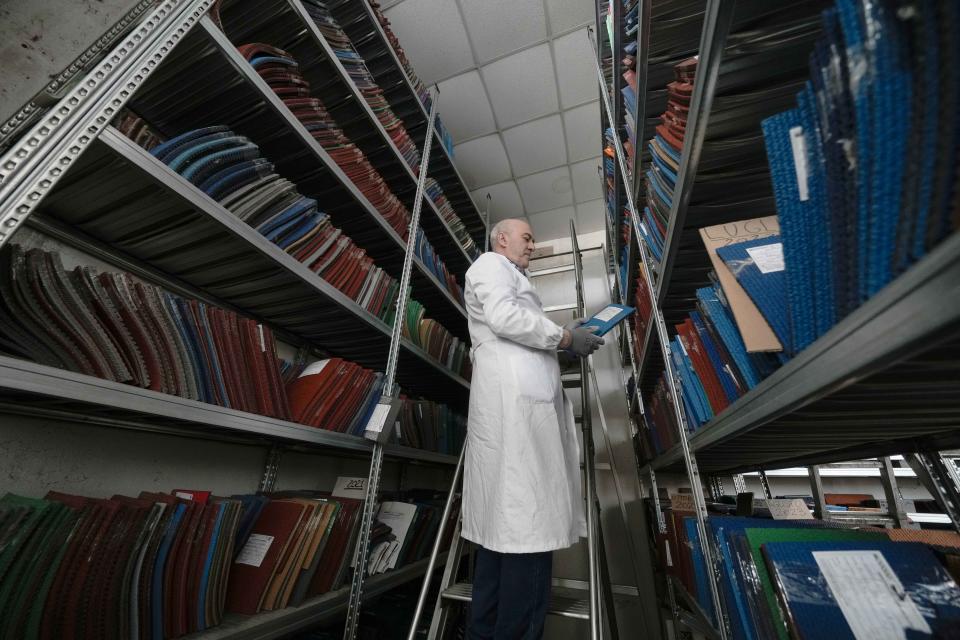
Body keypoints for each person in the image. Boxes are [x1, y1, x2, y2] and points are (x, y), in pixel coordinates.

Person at [461, 218, 604, 639]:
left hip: (516, 411)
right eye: (527, 238)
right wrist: (563, 338)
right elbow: (506, 318)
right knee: (525, 533)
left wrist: (565, 340)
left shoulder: (510, 277)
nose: (533, 245)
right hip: (516, 415)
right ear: (501, 239)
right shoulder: (490, 264)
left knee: (501, 538)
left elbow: (518, 332)